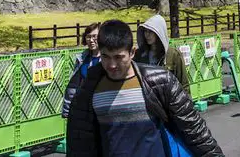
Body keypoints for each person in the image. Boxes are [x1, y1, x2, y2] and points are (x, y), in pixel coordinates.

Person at [65, 19, 223, 157]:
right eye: (106, 57)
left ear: (132, 52)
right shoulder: (88, 90)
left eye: (119, 57)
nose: (112, 65)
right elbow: (80, 143)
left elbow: (195, 130)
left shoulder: (161, 82)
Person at [137, 14, 190, 94]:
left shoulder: (173, 55)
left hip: (169, 100)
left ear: (159, 32)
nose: (147, 35)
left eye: (151, 31)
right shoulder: (140, 54)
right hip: (148, 100)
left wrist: (187, 105)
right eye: (145, 31)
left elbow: (184, 84)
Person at [63, 22, 101, 117]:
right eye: (88, 37)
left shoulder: (108, 59)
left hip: (101, 107)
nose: (91, 40)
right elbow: (74, 85)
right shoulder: (82, 59)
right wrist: (68, 110)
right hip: (83, 109)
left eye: (94, 36)